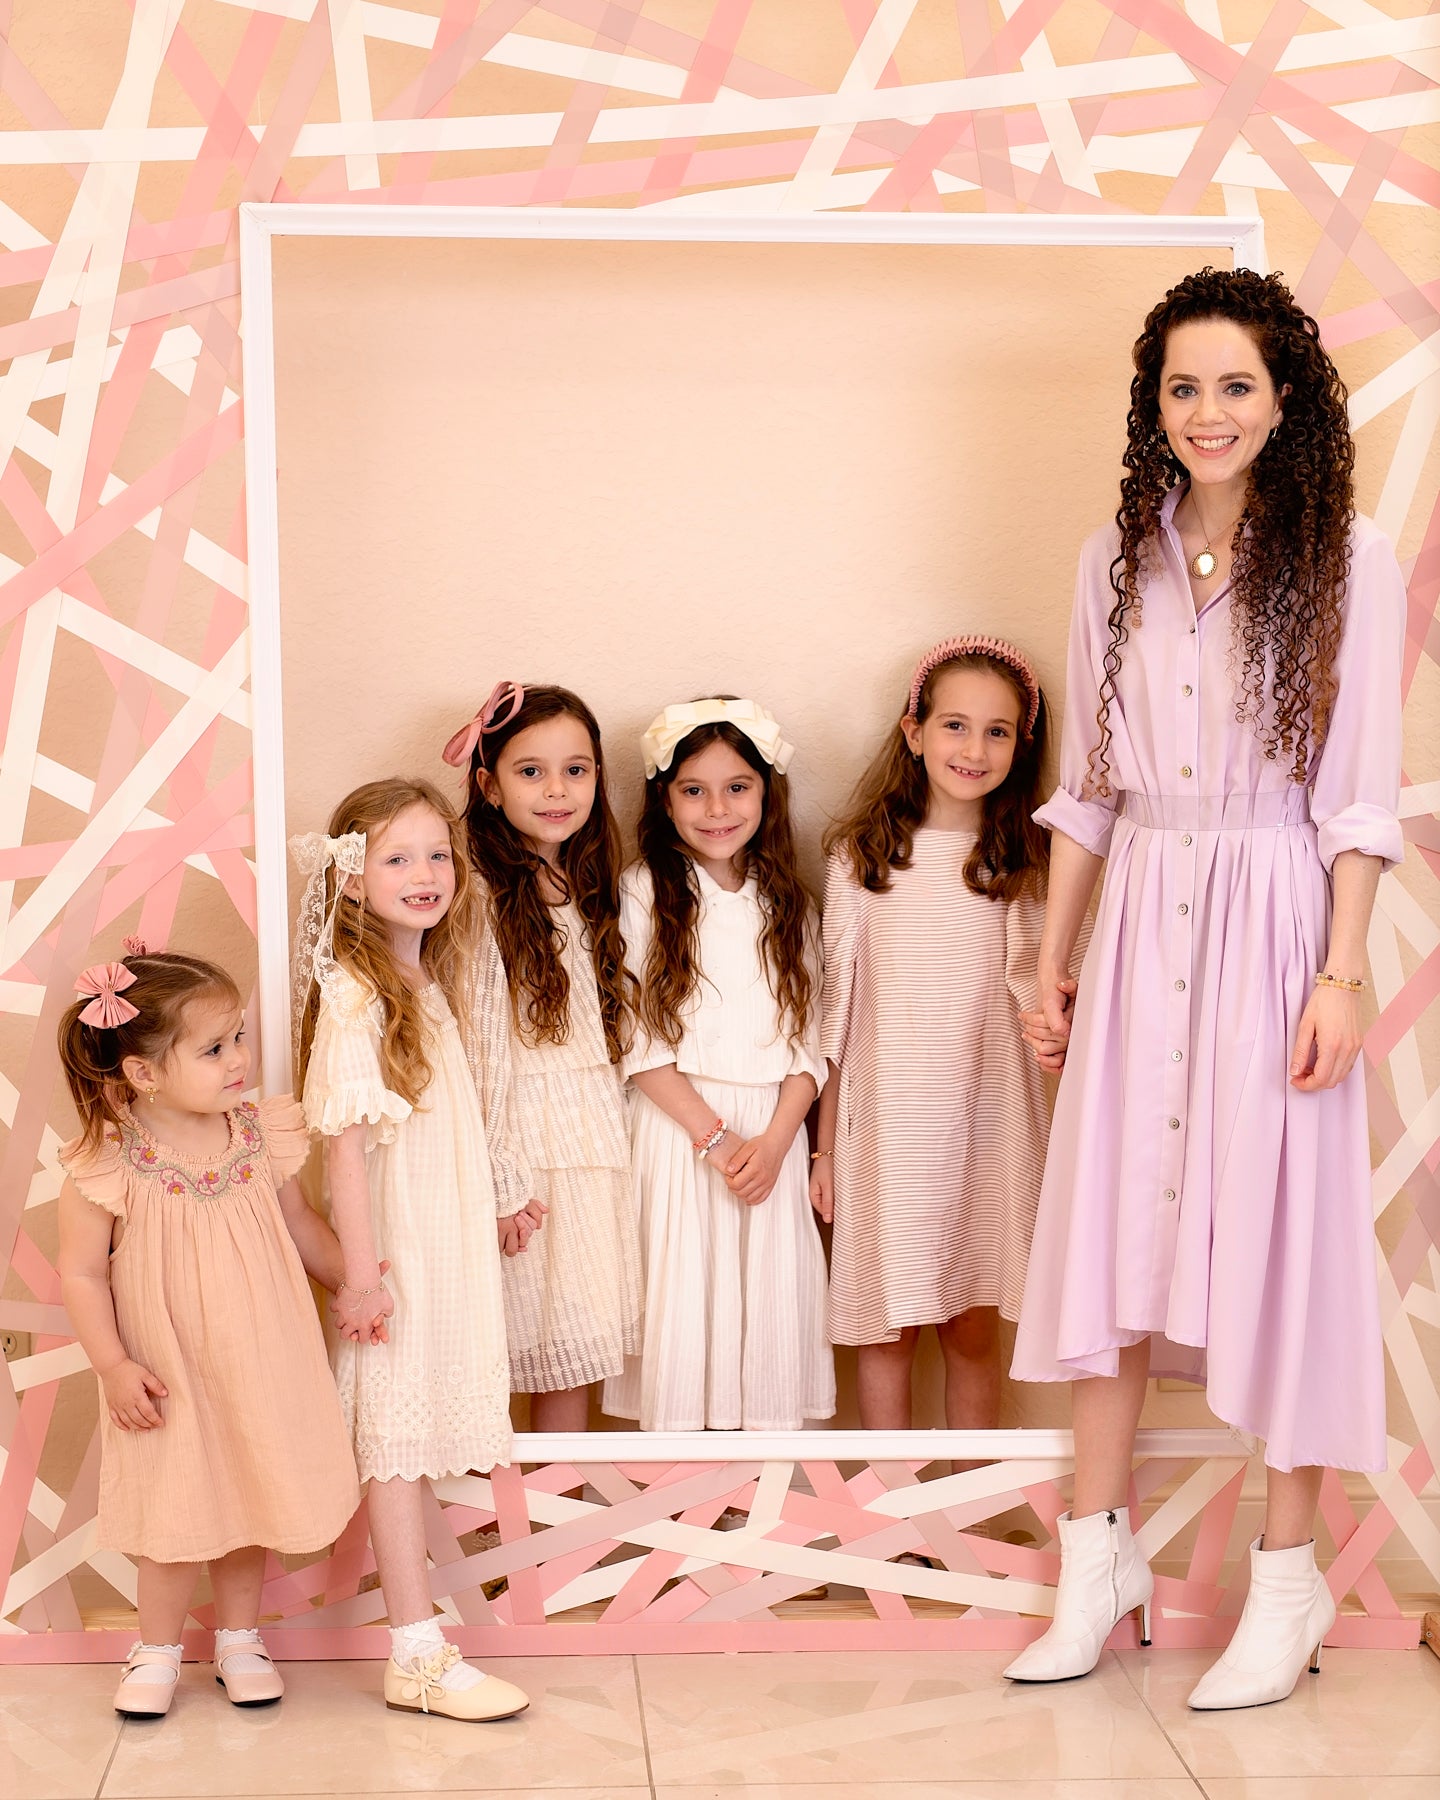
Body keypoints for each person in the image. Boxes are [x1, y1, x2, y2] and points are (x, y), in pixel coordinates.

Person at [1006, 267, 1405, 1710]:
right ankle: (1095, 1566)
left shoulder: (1349, 559)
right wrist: (1051, 961)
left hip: (1279, 919)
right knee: (1110, 1232)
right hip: (1141, 925)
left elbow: (1358, 794)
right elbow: (1091, 788)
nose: (1208, 410)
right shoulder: (1115, 559)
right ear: (1153, 406)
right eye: (1183, 386)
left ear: (1285, 398)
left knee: (1284, 1246)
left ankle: (1287, 1586)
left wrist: (1342, 972)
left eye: (1236, 383)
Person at [56, 944, 359, 1718]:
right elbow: (83, 1274)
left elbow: (300, 1225)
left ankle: (239, 1640)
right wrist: (113, 1366)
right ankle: (155, 1649)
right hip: (167, 1367)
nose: (239, 1059)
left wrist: (353, 1283)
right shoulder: (110, 1160)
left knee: (251, 1491)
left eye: (239, 1038)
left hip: (261, 1356)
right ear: (144, 1073)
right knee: (175, 1504)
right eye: (215, 1048)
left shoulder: (258, 1135)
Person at [294, 778, 528, 1721]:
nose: (424, 873)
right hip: (396, 1253)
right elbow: (343, 1148)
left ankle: (420, 1642)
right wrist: (362, 1278)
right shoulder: (357, 992)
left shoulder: (425, 978)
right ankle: (416, 1653)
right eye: (397, 858)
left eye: (437, 854)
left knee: (416, 1434)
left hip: (440, 1237)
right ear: (353, 879)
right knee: (394, 1439)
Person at [812, 636, 1055, 1435]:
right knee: (886, 1333)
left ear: (1021, 745)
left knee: (972, 1329)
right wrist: (823, 1150)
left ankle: (973, 1504)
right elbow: (835, 1019)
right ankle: (897, 1514)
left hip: (990, 1125)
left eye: (997, 731)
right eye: (955, 725)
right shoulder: (862, 860)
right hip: (887, 1132)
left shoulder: (1030, 865)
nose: (974, 749)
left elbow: (1056, 1002)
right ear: (914, 733)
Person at [603, 698, 835, 1432]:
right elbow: (638, 1043)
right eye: (693, 790)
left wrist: (776, 1142)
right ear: (664, 799)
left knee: (764, 1315)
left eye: (737, 787)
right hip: (683, 1136)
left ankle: (756, 1493)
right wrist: (716, 1139)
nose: (716, 809)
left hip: (771, 1141)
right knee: (687, 1305)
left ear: (767, 792)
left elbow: (811, 1043)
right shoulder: (642, 892)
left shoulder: (791, 904)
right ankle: (680, 1491)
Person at [448, 681, 640, 1428]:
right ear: (489, 786)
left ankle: (562, 1501)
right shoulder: (477, 894)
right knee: (501, 1347)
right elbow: (481, 1052)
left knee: (574, 1349)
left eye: (575, 770)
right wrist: (501, 1182)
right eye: (531, 772)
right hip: (524, 1147)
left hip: (590, 1145)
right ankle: (494, 1502)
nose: (557, 790)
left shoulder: (590, 886)